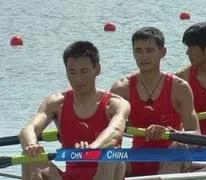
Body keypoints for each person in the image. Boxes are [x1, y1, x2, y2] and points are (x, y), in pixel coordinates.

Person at [19, 41, 131, 180]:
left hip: (106, 173)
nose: (78, 79)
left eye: (84, 71)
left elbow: (116, 131)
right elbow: (28, 129)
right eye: (72, 72)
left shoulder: (116, 104)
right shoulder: (55, 103)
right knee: (29, 159)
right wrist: (31, 144)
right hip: (70, 176)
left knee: (110, 154)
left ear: (97, 69)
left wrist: (93, 147)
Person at [110, 27, 200, 177]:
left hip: (170, 158)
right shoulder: (121, 88)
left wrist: (171, 133)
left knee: (180, 147)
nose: (143, 56)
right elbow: (106, 131)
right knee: (110, 151)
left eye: (149, 50)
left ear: (163, 52)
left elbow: (196, 135)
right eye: (138, 51)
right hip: (135, 159)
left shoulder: (180, 88)